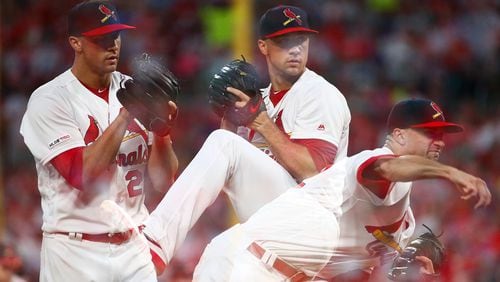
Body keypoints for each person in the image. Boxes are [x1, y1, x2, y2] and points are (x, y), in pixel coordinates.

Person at [140, 4, 351, 276]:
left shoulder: (319, 93)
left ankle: (155, 242)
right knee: (215, 259)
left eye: (301, 40)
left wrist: (260, 121)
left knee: (223, 144)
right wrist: (229, 119)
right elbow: (226, 171)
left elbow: (313, 172)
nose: (296, 48)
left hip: (312, 221)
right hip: (274, 225)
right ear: (263, 46)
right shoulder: (255, 99)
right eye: (284, 41)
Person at [211, 98, 491, 281]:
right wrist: (450, 172)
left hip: (284, 271)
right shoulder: (368, 163)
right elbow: (386, 168)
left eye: (441, 135)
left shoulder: (402, 221)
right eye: (430, 133)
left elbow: (364, 273)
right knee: (223, 145)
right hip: (252, 265)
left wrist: (417, 271)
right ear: (399, 135)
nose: (439, 142)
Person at [19, 1, 178, 281]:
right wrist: (128, 113)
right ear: (76, 43)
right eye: (100, 39)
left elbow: (164, 181)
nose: (112, 45)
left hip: (133, 246)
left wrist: (163, 132)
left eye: (115, 36)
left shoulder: (134, 89)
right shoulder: (50, 99)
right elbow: (81, 174)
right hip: (74, 251)